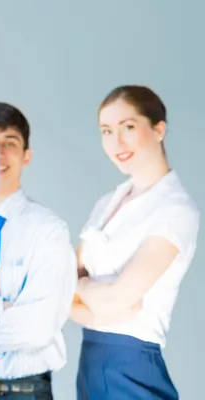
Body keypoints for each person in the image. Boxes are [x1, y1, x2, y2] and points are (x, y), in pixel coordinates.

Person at [71, 85, 200, 400]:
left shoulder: (176, 209)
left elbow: (109, 297)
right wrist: (95, 300)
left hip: (133, 361)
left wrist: (81, 289)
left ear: (159, 129)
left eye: (128, 127)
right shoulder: (106, 203)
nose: (117, 142)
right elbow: (63, 286)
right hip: (90, 359)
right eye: (106, 130)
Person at [0, 102, 76, 399]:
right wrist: (0, 309)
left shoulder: (48, 230)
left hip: (23, 390)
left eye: (9, 143)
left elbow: (39, 326)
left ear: (26, 155)